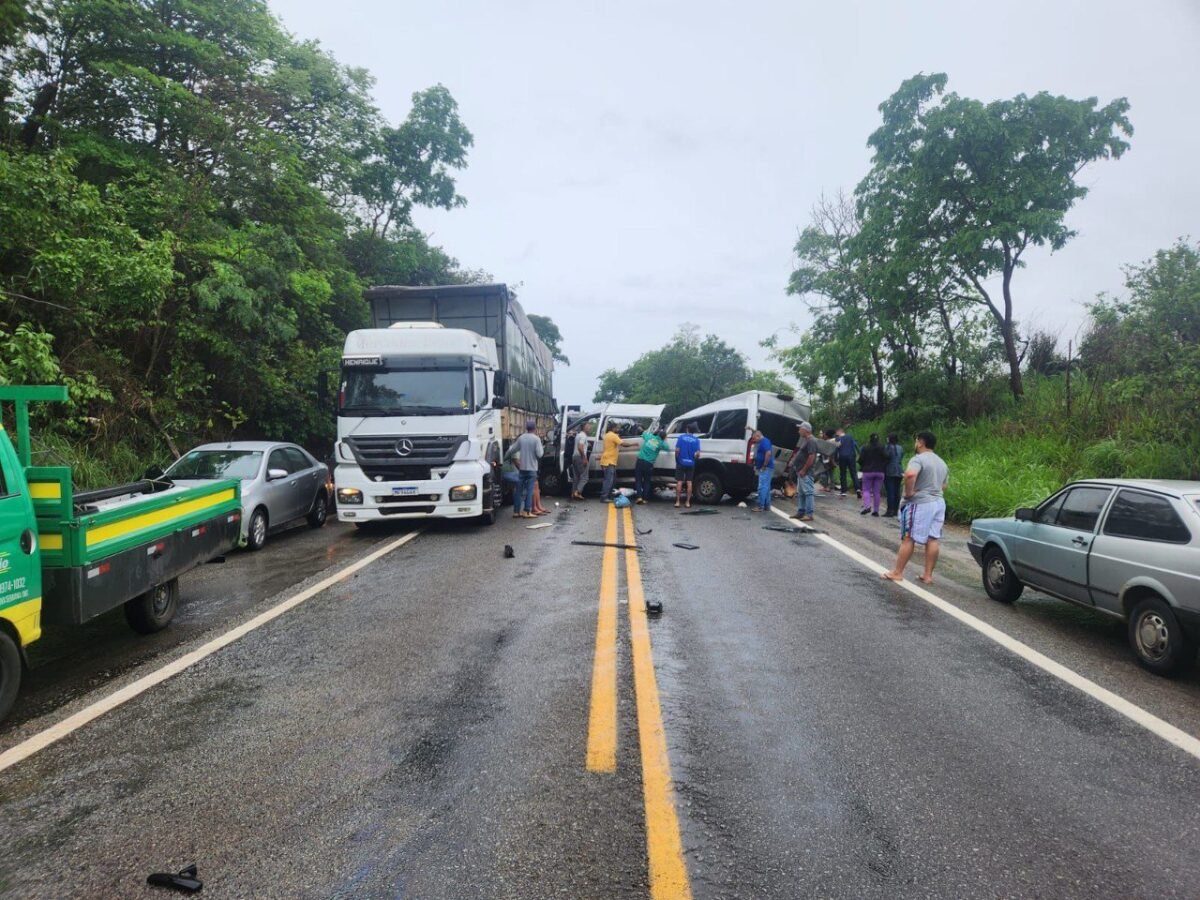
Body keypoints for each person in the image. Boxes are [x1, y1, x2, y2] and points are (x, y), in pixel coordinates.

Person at [881, 430, 949, 585]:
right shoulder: (942, 462)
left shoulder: (918, 459)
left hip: (920, 503)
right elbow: (944, 485)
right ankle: (928, 575)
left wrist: (910, 492)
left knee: (908, 537)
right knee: (932, 539)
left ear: (920, 442)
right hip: (938, 503)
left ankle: (897, 572)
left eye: (916, 440)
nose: (915, 443)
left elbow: (910, 475)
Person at [504, 419, 544, 519]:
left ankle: (516, 512)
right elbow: (540, 454)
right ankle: (527, 511)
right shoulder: (536, 439)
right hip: (532, 469)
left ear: (526, 428)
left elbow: (513, 450)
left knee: (519, 490)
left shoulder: (521, 438)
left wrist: (504, 458)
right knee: (529, 490)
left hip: (522, 469)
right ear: (534, 428)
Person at [789, 422, 817, 521]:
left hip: (806, 472)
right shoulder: (806, 440)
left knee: (808, 492)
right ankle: (801, 512)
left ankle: (809, 514)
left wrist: (804, 469)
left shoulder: (811, 441)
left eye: (800, 429)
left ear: (806, 430)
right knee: (801, 492)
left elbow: (811, 456)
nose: (799, 431)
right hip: (800, 470)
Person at [634, 427, 668, 504]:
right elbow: (667, 448)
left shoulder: (649, 437)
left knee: (638, 480)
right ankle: (645, 498)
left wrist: (642, 430)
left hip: (640, 460)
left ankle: (639, 497)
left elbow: (643, 433)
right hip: (649, 463)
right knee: (647, 481)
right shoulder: (661, 443)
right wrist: (664, 440)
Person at [858, 433, 887, 517]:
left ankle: (867, 506)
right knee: (877, 492)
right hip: (880, 472)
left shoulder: (865, 448)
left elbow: (860, 459)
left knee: (866, 490)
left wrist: (863, 465)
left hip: (868, 471)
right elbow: (887, 457)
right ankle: (876, 510)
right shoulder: (882, 447)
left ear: (870, 439)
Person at [673, 422, 702, 508]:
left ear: (687, 429)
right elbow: (698, 454)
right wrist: (694, 458)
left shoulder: (681, 437)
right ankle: (687, 502)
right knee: (689, 482)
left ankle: (677, 502)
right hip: (691, 463)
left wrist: (677, 460)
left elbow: (677, 450)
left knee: (679, 482)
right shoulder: (696, 440)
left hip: (681, 462)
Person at [599, 422, 624, 502]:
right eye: (617, 428)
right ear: (613, 428)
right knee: (608, 480)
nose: (618, 429)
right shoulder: (613, 436)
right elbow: (623, 444)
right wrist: (634, 444)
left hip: (608, 460)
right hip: (609, 461)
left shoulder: (607, 435)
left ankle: (609, 496)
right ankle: (604, 497)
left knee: (611, 480)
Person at [751, 429, 774, 511]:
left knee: (762, 487)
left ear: (758, 436)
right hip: (768, 467)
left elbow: (768, 453)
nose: (754, 441)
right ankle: (767, 506)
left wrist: (764, 465)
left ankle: (760, 506)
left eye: (754, 438)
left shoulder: (764, 441)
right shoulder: (764, 441)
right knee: (766, 487)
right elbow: (756, 431)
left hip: (766, 468)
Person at [834, 426, 860, 498]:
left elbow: (836, 449)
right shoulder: (850, 437)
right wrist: (858, 454)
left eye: (837, 433)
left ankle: (843, 491)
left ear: (839, 432)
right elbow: (856, 446)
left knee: (843, 474)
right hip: (851, 457)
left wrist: (836, 459)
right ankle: (858, 489)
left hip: (842, 457)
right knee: (853, 473)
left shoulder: (838, 439)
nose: (836, 435)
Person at [883, 432, 904, 517]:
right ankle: (895, 510)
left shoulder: (887, 447)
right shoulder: (900, 448)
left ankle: (890, 510)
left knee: (890, 491)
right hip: (899, 470)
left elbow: (885, 457)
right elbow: (901, 457)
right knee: (897, 491)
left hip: (889, 470)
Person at [571, 422, 592, 500]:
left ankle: (573, 493)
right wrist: (584, 458)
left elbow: (579, 445)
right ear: (584, 427)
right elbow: (580, 447)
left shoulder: (578, 435)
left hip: (574, 457)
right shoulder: (583, 436)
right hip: (580, 457)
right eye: (588, 426)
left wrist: (588, 444)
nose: (590, 428)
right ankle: (578, 492)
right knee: (584, 477)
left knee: (576, 477)